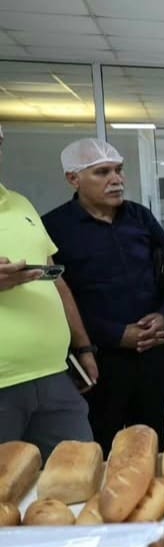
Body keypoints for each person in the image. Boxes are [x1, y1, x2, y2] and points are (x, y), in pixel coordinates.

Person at [43, 138, 164, 452]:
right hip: (97, 358)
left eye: (118, 170)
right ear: (73, 178)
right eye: (102, 172)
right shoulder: (54, 227)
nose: (117, 179)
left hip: (152, 351)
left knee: (151, 441)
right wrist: (116, 335)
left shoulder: (140, 217)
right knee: (100, 445)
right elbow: (55, 297)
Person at [0, 124, 95, 458]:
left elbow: (55, 279)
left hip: (54, 374)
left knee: (80, 472)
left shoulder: (20, 204)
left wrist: (84, 348)